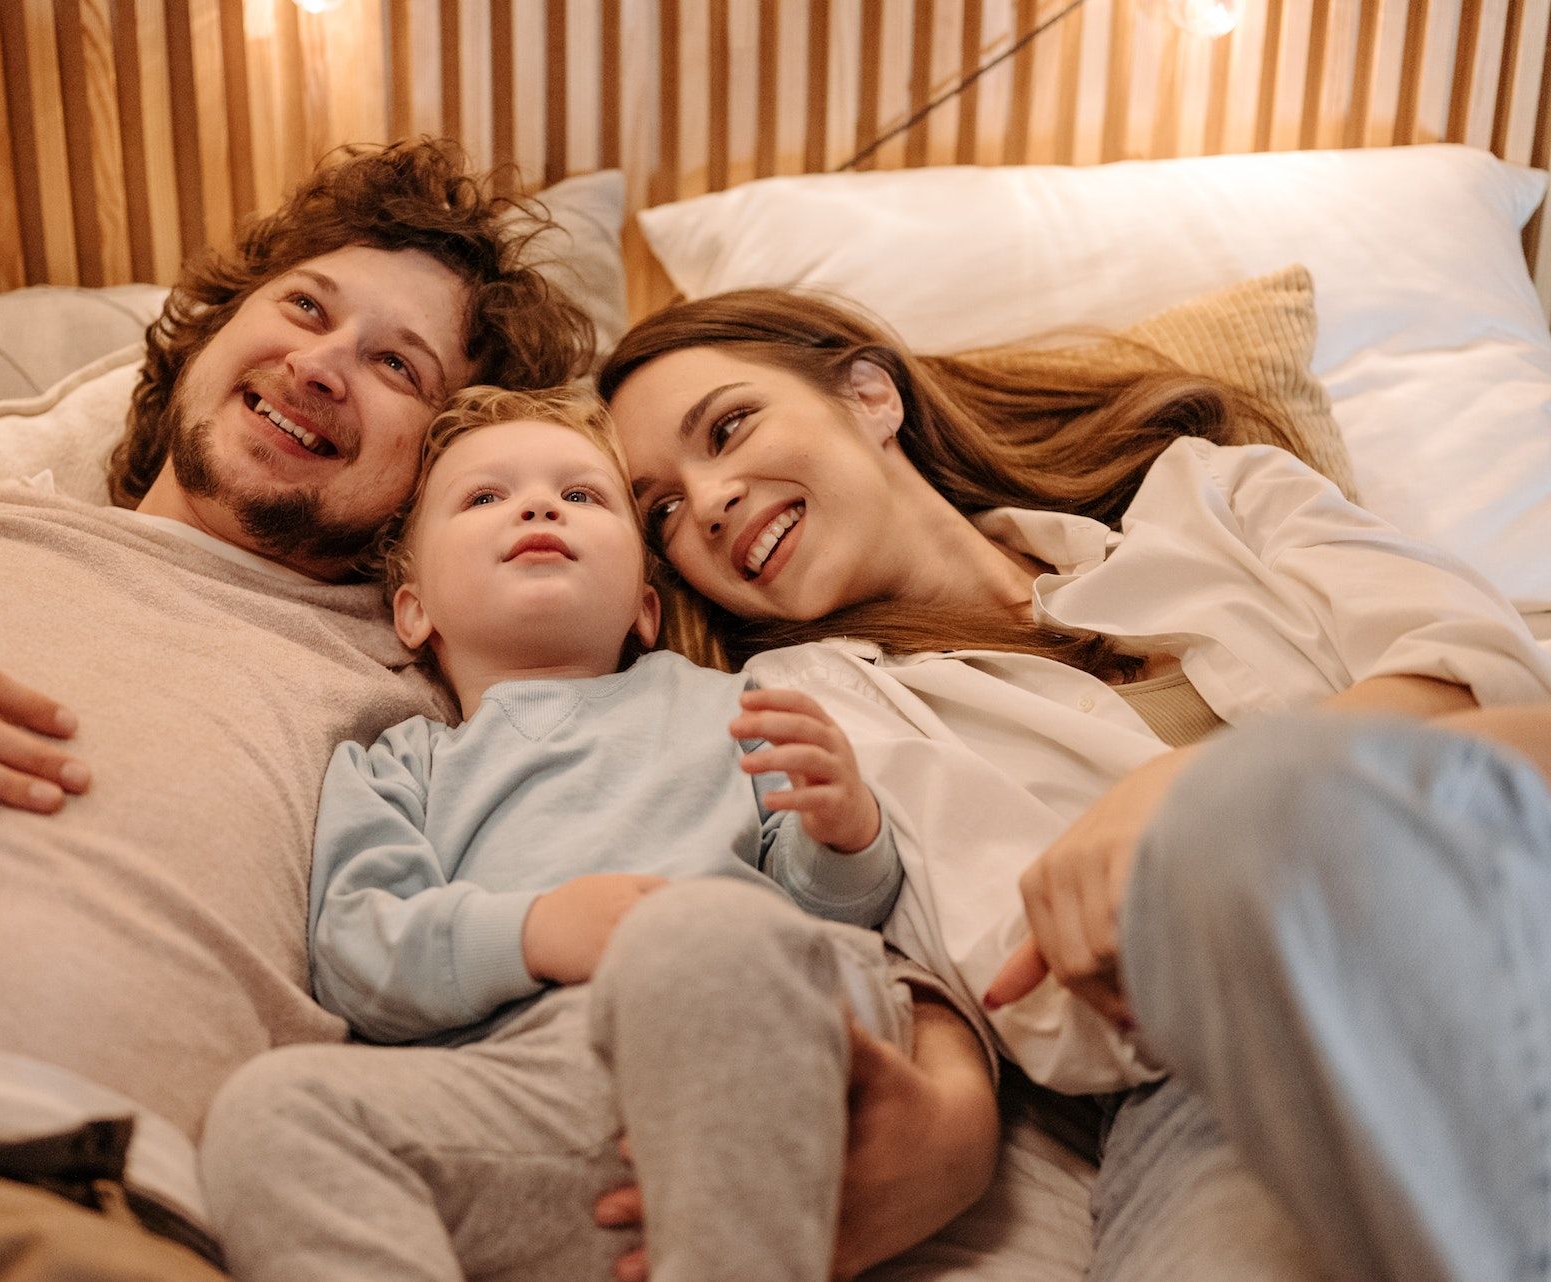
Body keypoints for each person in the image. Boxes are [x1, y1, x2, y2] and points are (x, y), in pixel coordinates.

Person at [0, 139, 596, 1278]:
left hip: (79, 1216)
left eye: (399, 366)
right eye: (305, 307)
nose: (324, 365)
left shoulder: (424, 685)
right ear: (212, 329)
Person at [595, 287, 1551, 1282]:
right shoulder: (814, 708)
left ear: (872, 395)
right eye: (661, 509)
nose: (705, 504)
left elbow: (1494, 668)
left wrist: (1191, 794)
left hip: (1505, 915)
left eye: (730, 426)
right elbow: (1043, 996)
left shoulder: (1211, 495)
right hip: (1211, 1084)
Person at [197, 384, 1001, 1282]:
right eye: (484, 498)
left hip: (753, 1054)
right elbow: (356, 956)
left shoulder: (731, 704)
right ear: (412, 611)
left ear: (644, 609)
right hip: (528, 1098)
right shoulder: (396, 766)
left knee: (700, 934)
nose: (539, 505)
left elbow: (835, 913)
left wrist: (846, 833)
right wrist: (535, 932)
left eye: (582, 496)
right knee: (270, 1111)